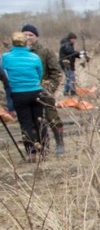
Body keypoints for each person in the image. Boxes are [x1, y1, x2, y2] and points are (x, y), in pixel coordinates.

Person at [21, 24, 66, 154]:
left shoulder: (45, 51)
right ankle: (37, 146)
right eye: (25, 35)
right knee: (31, 120)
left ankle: (59, 143)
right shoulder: (16, 52)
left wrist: (48, 88)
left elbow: (56, 72)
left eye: (31, 35)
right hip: (25, 92)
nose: (28, 37)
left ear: (36, 37)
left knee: (52, 117)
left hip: (43, 90)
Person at [2, 32, 46, 160]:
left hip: (18, 93)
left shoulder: (6, 57)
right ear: (26, 43)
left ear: (13, 43)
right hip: (36, 91)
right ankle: (44, 150)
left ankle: (31, 152)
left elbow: (4, 72)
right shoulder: (34, 57)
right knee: (39, 121)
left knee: (25, 123)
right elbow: (40, 74)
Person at [58, 32, 85, 97]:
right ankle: (72, 92)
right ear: (71, 39)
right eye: (74, 39)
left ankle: (66, 91)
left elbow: (72, 54)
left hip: (67, 63)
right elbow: (70, 52)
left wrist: (81, 55)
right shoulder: (67, 45)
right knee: (71, 77)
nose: (75, 41)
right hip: (66, 63)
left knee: (68, 77)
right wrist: (80, 53)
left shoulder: (66, 44)